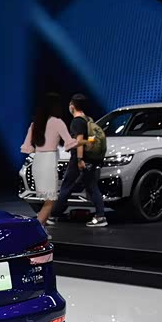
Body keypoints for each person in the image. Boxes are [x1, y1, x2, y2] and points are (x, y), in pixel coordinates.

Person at [20, 93, 77, 227]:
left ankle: (41, 230)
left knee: (48, 200)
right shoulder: (57, 122)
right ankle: (37, 229)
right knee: (50, 201)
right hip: (49, 161)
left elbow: (27, 147)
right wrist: (84, 142)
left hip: (38, 161)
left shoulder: (35, 124)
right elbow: (69, 143)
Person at [50, 94, 107, 227]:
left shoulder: (77, 122)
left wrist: (80, 159)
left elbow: (80, 142)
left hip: (79, 160)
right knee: (92, 187)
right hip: (90, 159)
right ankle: (100, 216)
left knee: (66, 186)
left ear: (72, 106)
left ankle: (53, 216)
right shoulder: (88, 119)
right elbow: (90, 140)